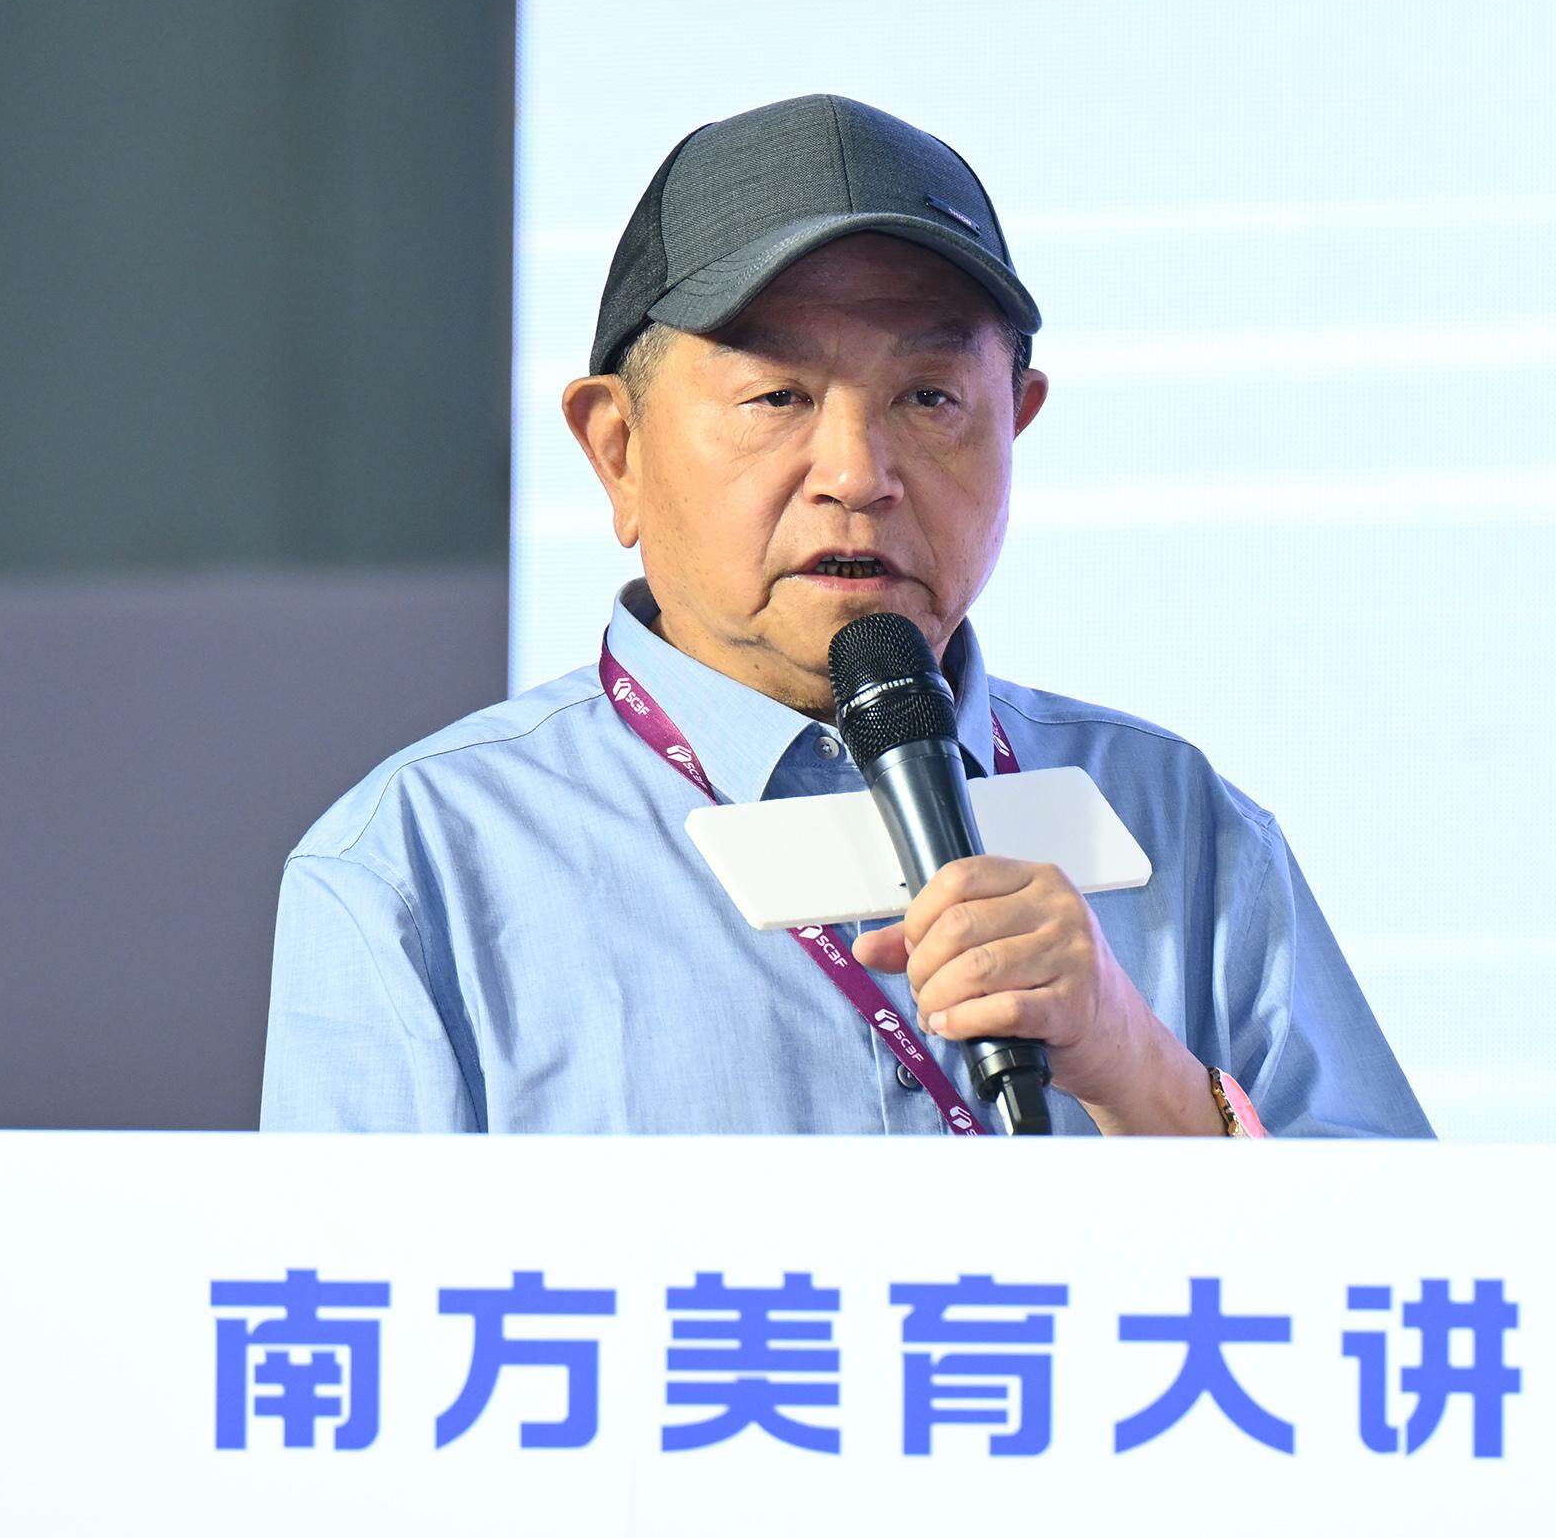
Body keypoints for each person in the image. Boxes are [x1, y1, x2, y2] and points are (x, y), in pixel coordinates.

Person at [261, 94, 1430, 1139]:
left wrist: (1143, 1074)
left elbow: (1411, 1285)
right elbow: (348, 1302)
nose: (858, 474)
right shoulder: (420, 867)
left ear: (1015, 423)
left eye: (929, 397)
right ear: (617, 450)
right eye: (777, 396)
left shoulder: (1184, 827)